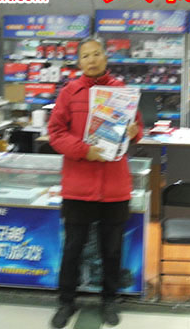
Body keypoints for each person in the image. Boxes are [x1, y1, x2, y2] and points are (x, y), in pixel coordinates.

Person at [47, 36, 143, 328]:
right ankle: (66, 301)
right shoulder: (69, 92)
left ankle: (109, 300)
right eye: (86, 55)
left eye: (96, 53)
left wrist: (134, 131)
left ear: (105, 57)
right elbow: (55, 133)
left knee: (111, 250)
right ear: (79, 62)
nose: (92, 59)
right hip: (79, 185)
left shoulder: (122, 92)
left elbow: (138, 130)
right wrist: (83, 150)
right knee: (73, 248)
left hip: (114, 186)